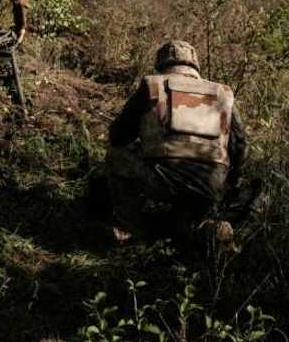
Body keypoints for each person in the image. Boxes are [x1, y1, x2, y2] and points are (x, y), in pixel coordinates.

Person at [106, 40, 248, 248]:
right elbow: (241, 146)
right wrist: (230, 185)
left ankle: (130, 228)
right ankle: (204, 230)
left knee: (115, 155)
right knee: (192, 217)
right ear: (195, 65)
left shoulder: (152, 84)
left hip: (164, 180)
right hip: (210, 185)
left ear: (162, 64)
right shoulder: (223, 93)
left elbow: (118, 136)